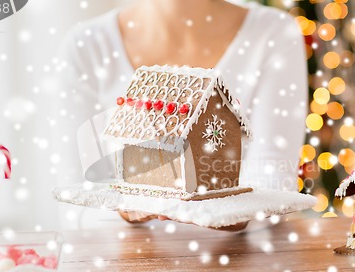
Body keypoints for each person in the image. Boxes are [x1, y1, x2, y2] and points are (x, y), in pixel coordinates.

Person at [53, 0, 307, 230]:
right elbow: (72, 201)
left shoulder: (273, 33)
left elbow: (274, 178)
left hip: (241, 262)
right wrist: (123, 210)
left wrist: (233, 214)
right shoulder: (86, 44)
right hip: (125, 265)